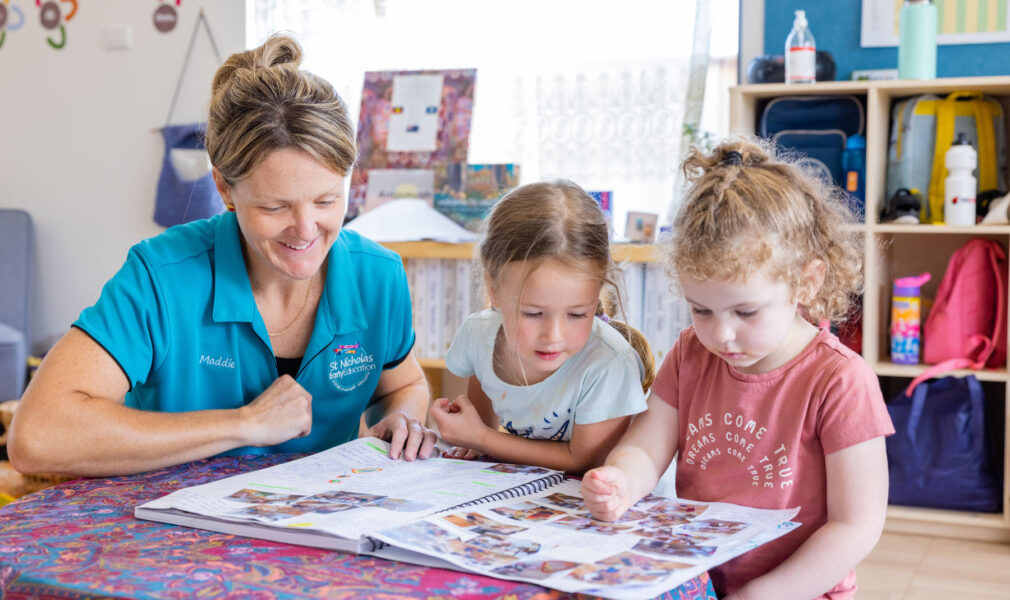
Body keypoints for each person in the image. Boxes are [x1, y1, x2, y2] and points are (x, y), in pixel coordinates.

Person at [8, 34, 436, 478]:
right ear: (224, 188)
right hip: (171, 531)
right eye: (275, 207)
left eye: (326, 201)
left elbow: (402, 384)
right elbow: (37, 437)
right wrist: (244, 424)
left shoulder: (378, 276)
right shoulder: (161, 276)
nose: (307, 230)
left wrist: (403, 415)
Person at [581, 139, 894, 600]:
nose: (721, 335)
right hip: (695, 578)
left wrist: (764, 594)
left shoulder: (840, 380)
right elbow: (647, 449)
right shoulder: (691, 352)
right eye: (701, 310)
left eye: (746, 313)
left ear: (807, 282)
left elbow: (856, 526)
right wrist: (621, 481)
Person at [428, 180, 653, 474]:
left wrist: (480, 438)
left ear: (597, 294)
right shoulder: (479, 336)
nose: (553, 336)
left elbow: (583, 460)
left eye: (576, 315)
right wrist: (467, 434)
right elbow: (478, 429)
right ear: (493, 288)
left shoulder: (609, 363)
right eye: (533, 313)